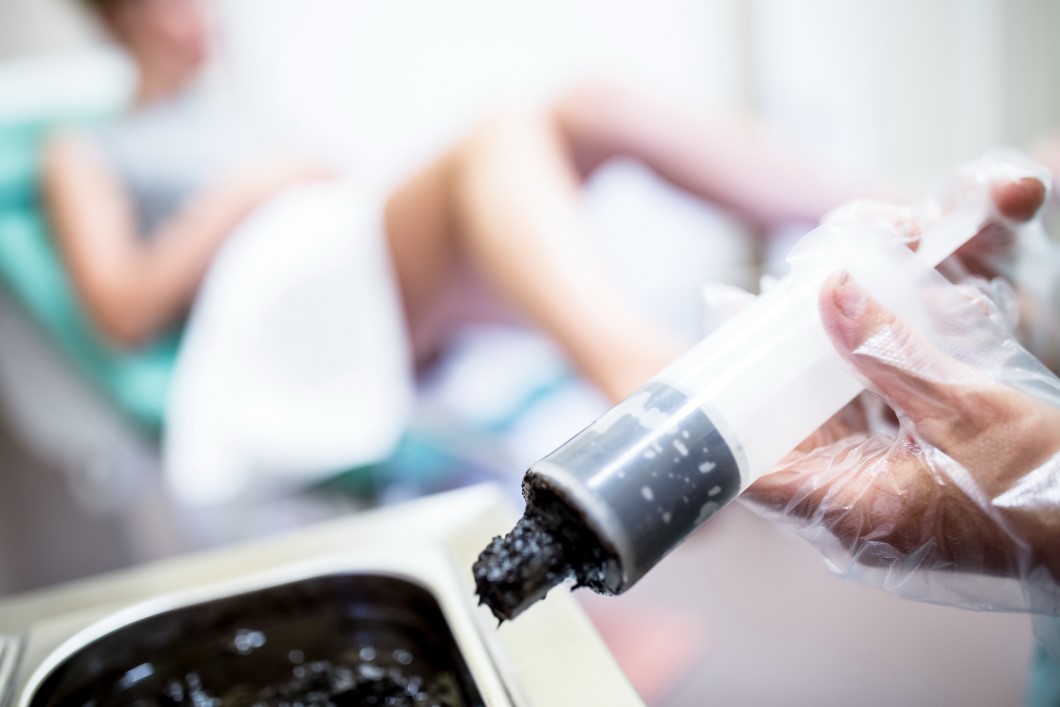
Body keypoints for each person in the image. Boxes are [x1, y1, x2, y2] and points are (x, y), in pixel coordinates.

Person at [45, 0, 875, 411]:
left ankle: (876, 213)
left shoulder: (236, 111)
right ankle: (640, 374)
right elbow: (121, 310)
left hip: (342, 259)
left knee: (591, 101)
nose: (200, 13)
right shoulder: (84, 148)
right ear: (120, 16)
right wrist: (244, 191)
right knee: (499, 129)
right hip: (270, 312)